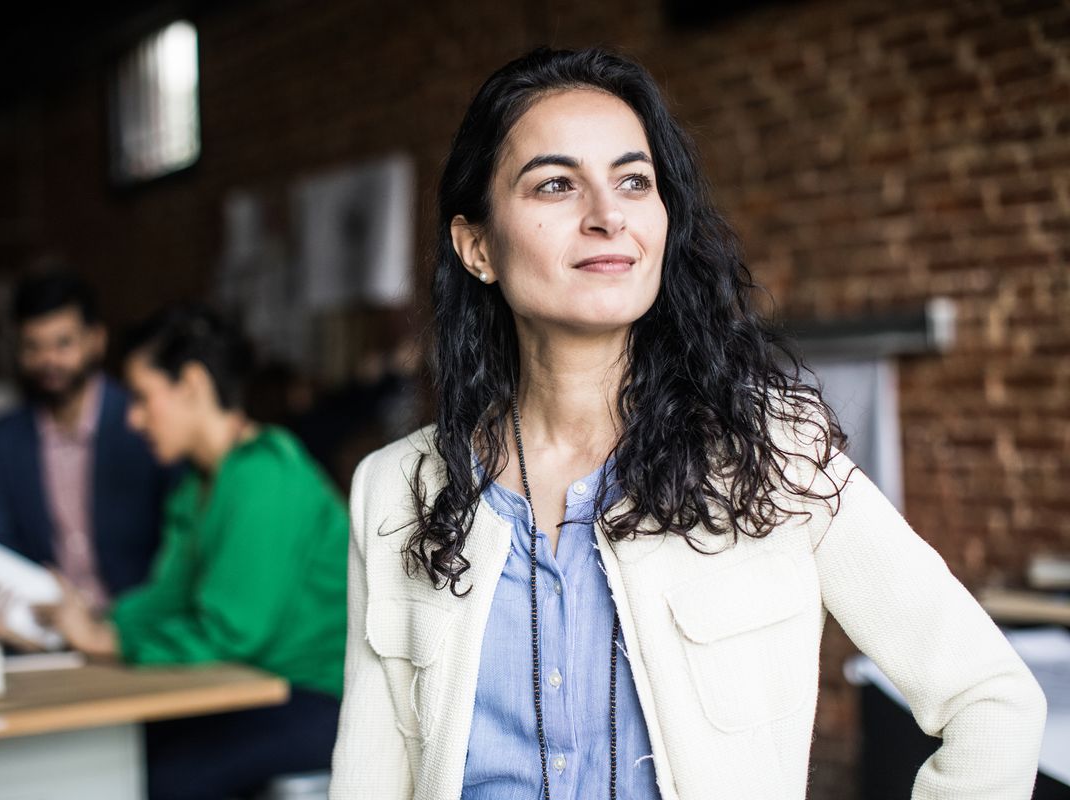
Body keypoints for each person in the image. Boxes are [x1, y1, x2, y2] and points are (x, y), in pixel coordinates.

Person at [330, 47, 1046, 800]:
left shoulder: (774, 454)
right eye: (555, 184)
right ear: (478, 246)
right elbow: (371, 777)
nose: (607, 216)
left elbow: (991, 703)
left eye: (634, 181)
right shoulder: (394, 491)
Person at [35, 305, 348, 800]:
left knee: (169, 774)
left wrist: (107, 642)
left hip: (318, 697)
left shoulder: (264, 476)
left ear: (194, 385)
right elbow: (167, 601)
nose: (134, 419)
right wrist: (81, 624)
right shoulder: (195, 488)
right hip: (250, 686)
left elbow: (230, 634)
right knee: (115, 746)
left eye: (142, 397)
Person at [0, 270, 176, 616]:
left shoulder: (146, 426)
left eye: (63, 343)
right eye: (32, 347)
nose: (48, 360)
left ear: (96, 340)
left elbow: (176, 549)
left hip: (138, 626)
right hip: (40, 627)